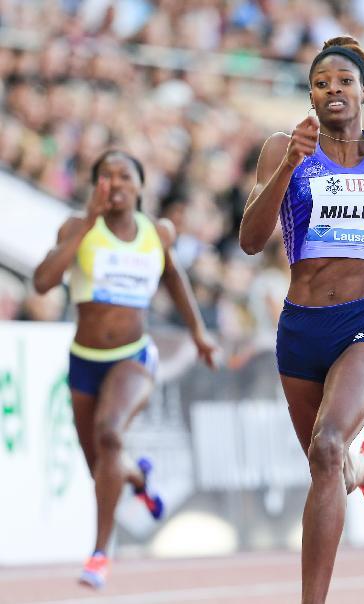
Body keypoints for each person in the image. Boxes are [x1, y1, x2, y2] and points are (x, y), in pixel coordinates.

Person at [239, 36, 364, 604]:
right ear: (311, 94)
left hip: (363, 323)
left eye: (345, 81)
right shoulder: (284, 146)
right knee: (326, 464)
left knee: (327, 447)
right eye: (323, 82)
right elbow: (251, 241)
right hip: (300, 328)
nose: (334, 90)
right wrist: (287, 165)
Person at [33, 150, 217, 589]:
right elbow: (41, 282)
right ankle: (137, 476)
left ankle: (99, 553)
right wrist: (84, 225)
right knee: (102, 466)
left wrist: (198, 332)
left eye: (124, 176)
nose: (114, 183)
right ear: (95, 185)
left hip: (134, 357)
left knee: (111, 433)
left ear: (140, 186)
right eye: (105, 176)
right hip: (85, 361)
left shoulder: (157, 232)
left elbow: (174, 278)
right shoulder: (77, 227)